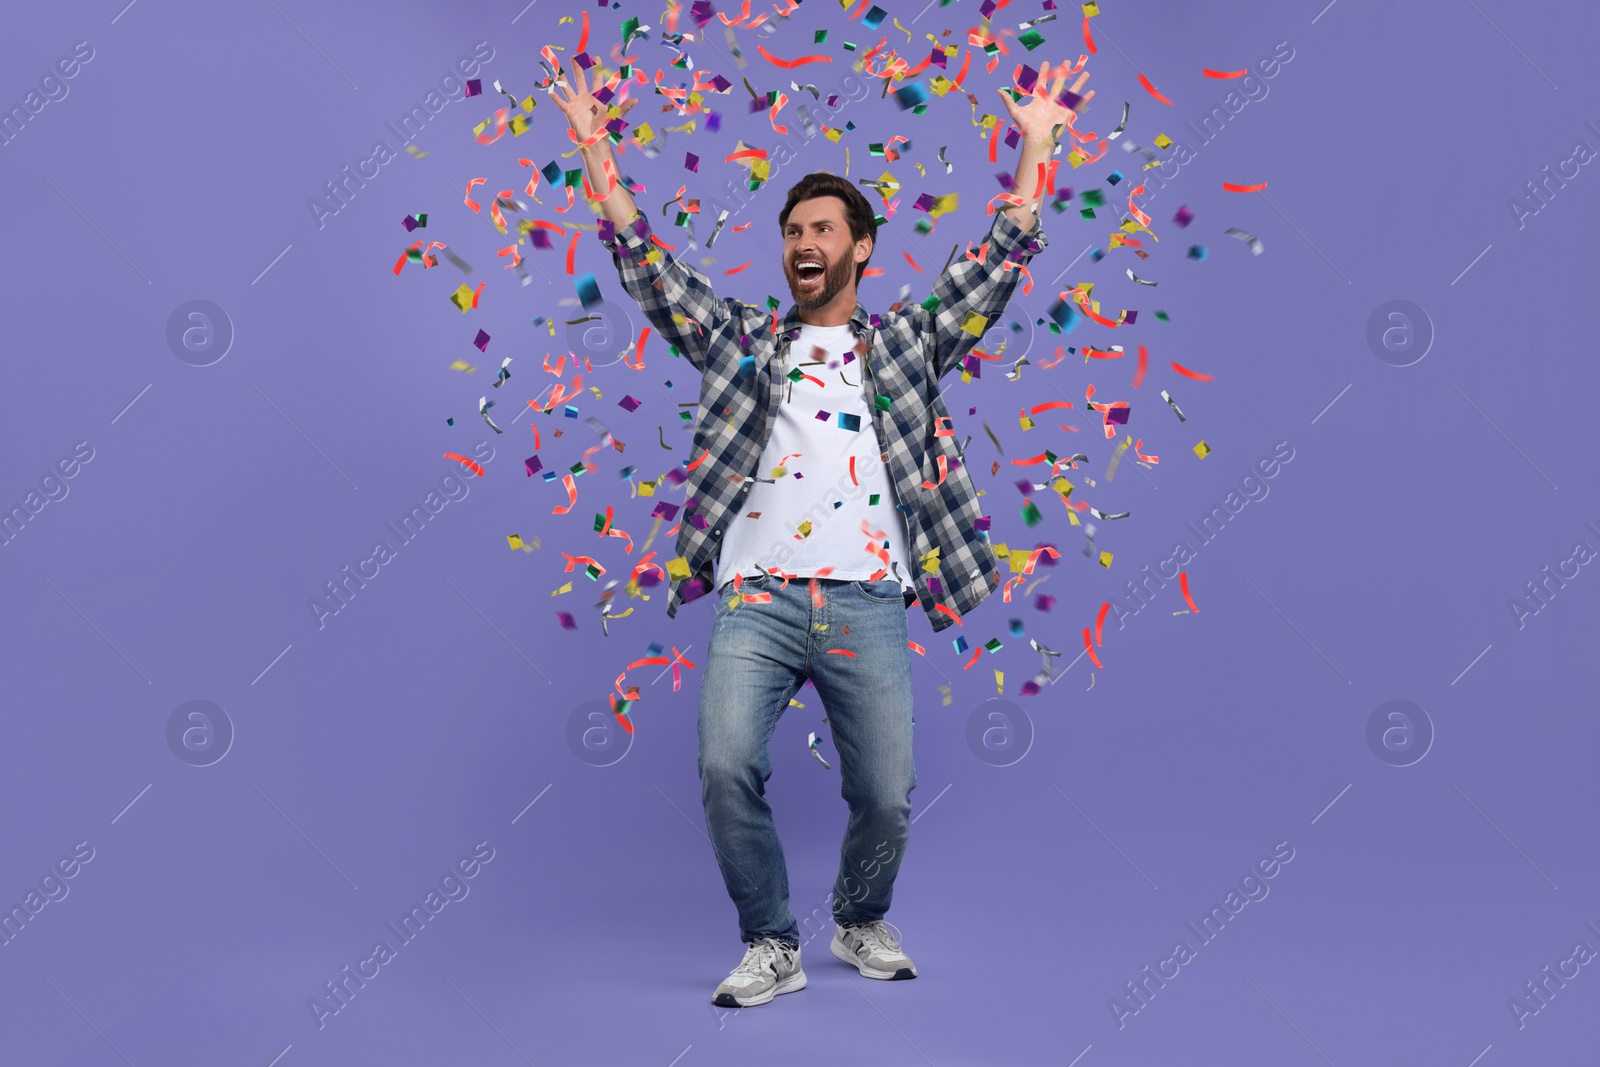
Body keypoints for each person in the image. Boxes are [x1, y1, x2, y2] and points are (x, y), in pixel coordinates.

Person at [553, 54, 1094, 1008]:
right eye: (793, 231)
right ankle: (772, 941)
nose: (803, 242)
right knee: (725, 767)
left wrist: (1038, 146)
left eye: (821, 230)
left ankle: (856, 914)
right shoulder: (739, 339)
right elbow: (648, 266)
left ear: (861, 250)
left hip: (867, 601)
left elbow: (997, 261)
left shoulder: (907, 346)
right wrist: (596, 151)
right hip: (756, 601)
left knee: (885, 793)